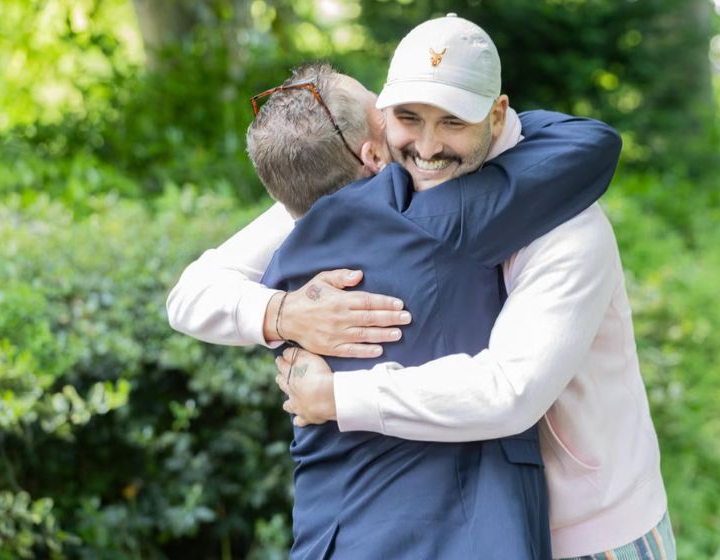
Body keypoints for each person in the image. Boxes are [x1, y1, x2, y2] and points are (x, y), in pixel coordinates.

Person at [166, 15, 629, 560]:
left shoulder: (314, 222)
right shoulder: (383, 214)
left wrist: (334, 396)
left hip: (588, 522)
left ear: (495, 114)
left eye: (452, 120)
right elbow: (191, 294)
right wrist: (284, 313)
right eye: (398, 116)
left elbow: (510, 391)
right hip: (462, 523)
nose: (423, 143)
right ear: (372, 153)